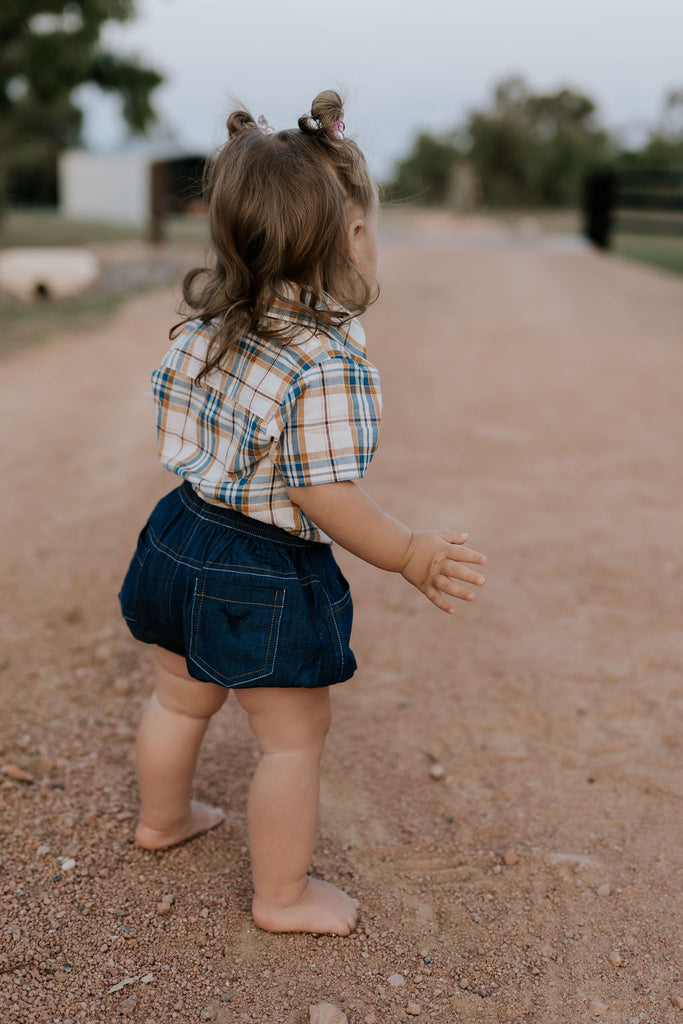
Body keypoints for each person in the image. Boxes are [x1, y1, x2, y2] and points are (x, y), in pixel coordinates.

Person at [119, 90, 487, 937]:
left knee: (179, 700)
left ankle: (163, 820)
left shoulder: (207, 324)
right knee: (291, 738)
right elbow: (322, 490)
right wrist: (407, 552)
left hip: (179, 532)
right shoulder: (327, 358)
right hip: (259, 568)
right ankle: (281, 897)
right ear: (350, 238)